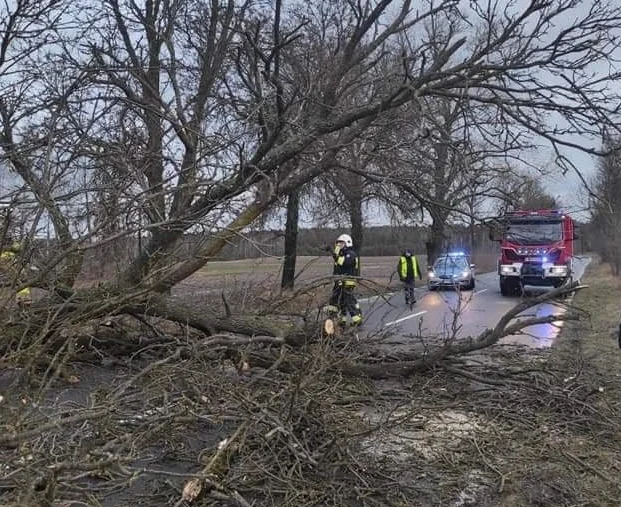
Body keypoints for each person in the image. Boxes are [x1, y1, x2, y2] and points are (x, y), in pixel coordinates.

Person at [325, 233, 363, 327]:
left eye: (341, 243)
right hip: (339, 281)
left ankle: (357, 319)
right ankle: (340, 320)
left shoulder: (351, 254)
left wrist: (332, 252)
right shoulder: (341, 254)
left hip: (348, 282)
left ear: (347, 243)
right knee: (338, 301)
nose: (339, 245)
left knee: (349, 301)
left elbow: (343, 263)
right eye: (338, 243)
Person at [0, 240, 32, 306]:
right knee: (19, 277)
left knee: (21, 277)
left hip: (11, 260)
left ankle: (23, 299)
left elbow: (17, 247)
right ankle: (23, 298)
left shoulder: (9, 238)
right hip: (7, 259)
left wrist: (9, 247)